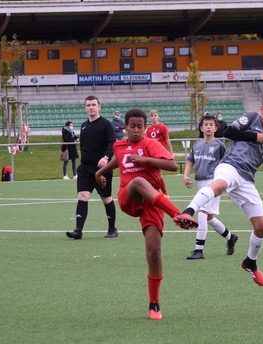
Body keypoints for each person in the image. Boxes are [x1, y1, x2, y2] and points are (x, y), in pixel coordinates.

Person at [173, 87, 263, 286]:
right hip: (231, 165)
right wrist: (254, 137)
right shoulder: (252, 117)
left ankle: (250, 262)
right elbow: (228, 132)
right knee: (219, 185)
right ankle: (187, 212)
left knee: (262, 226)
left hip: (247, 178)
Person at [95, 108, 198, 320]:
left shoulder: (150, 144)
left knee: (154, 253)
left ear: (145, 128)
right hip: (129, 197)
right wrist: (100, 172)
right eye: (132, 126)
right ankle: (177, 214)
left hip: (153, 202)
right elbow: (119, 159)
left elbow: (172, 165)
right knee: (138, 181)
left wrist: (145, 160)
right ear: (125, 127)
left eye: (140, 127)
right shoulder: (119, 145)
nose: (136, 130)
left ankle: (154, 303)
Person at [182, 114, 238, 260]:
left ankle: (198, 250)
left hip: (214, 183)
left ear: (216, 128)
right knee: (209, 217)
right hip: (201, 183)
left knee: (202, 213)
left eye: (211, 125)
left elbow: (228, 165)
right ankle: (230, 237)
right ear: (201, 128)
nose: (208, 127)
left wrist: (228, 187)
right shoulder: (197, 144)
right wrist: (185, 175)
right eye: (205, 124)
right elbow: (190, 161)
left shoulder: (219, 145)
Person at [66, 95, 118, 240]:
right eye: (88, 105)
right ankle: (78, 230)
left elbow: (112, 143)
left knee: (106, 198)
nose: (91, 107)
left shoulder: (106, 124)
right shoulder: (84, 125)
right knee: (82, 196)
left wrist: (106, 158)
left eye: (93, 105)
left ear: (99, 106)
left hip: (102, 169)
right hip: (85, 168)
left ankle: (112, 229)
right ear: (85, 108)